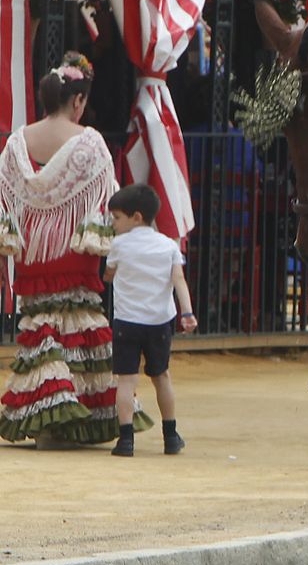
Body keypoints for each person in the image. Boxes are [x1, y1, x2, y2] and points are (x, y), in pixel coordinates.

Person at [0, 55, 125, 445]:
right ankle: (74, 418)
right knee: (76, 327)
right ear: (77, 101)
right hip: (73, 246)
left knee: (42, 328)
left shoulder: (17, 142)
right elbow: (108, 199)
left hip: (31, 250)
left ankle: (46, 415)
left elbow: (6, 199)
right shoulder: (89, 143)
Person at [105, 183, 196, 456]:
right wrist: (188, 313)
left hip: (127, 321)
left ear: (136, 217)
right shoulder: (168, 245)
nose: (114, 224)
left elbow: (108, 275)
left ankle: (126, 440)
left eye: (117, 218)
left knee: (126, 381)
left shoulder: (118, 245)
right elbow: (178, 280)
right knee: (161, 376)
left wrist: (112, 274)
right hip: (159, 321)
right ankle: (170, 436)